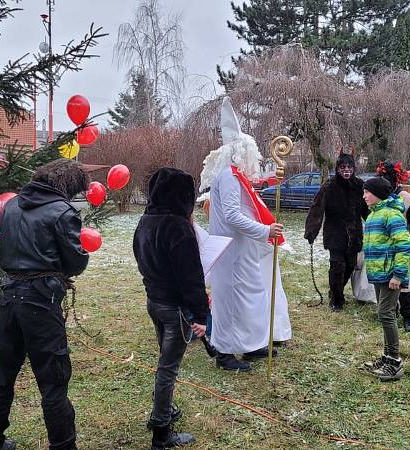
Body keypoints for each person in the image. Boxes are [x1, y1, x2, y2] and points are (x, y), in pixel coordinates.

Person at [0, 159, 90, 450]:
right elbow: (75, 262)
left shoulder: (10, 206)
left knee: (3, 373)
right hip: (40, 302)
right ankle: (63, 446)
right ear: (68, 186)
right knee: (53, 379)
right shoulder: (62, 211)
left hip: (10, 298)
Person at [198, 97, 292, 372]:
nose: (256, 159)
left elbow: (248, 199)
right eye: (252, 154)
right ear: (241, 152)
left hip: (243, 252)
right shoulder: (227, 176)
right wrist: (265, 230)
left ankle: (251, 344)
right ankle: (225, 352)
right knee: (230, 302)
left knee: (250, 298)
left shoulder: (236, 175)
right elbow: (231, 215)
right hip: (232, 253)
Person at [133, 167, 209, 449]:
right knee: (167, 369)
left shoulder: (146, 221)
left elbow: (141, 260)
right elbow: (191, 277)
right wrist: (200, 314)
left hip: (154, 301)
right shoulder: (178, 227)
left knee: (165, 364)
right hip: (173, 307)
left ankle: (164, 412)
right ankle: (161, 432)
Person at [361, 177, 410, 381]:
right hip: (378, 275)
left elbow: (404, 245)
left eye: (368, 192)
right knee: (383, 315)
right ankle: (386, 357)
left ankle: (394, 361)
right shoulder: (374, 215)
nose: (364, 196)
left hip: (391, 275)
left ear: (379, 194)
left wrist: (398, 275)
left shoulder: (392, 215)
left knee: (386, 314)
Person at [304, 153, 369, 311]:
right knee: (337, 266)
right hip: (335, 233)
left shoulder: (360, 186)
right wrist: (311, 231)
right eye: (343, 167)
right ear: (338, 169)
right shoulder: (329, 185)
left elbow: (367, 210)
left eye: (349, 167)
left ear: (353, 168)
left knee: (350, 266)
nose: (346, 170)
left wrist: (378, 225)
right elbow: (317, 208)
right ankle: (337, 300)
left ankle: (335, 291)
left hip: (354, 234)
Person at [376, 161, 410, 332]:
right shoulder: (379, 198)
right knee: (385, 281)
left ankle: (408, 317)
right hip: (382, 248)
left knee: (404, 282)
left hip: (401, 248)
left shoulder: (408, 200)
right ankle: (389, 312)